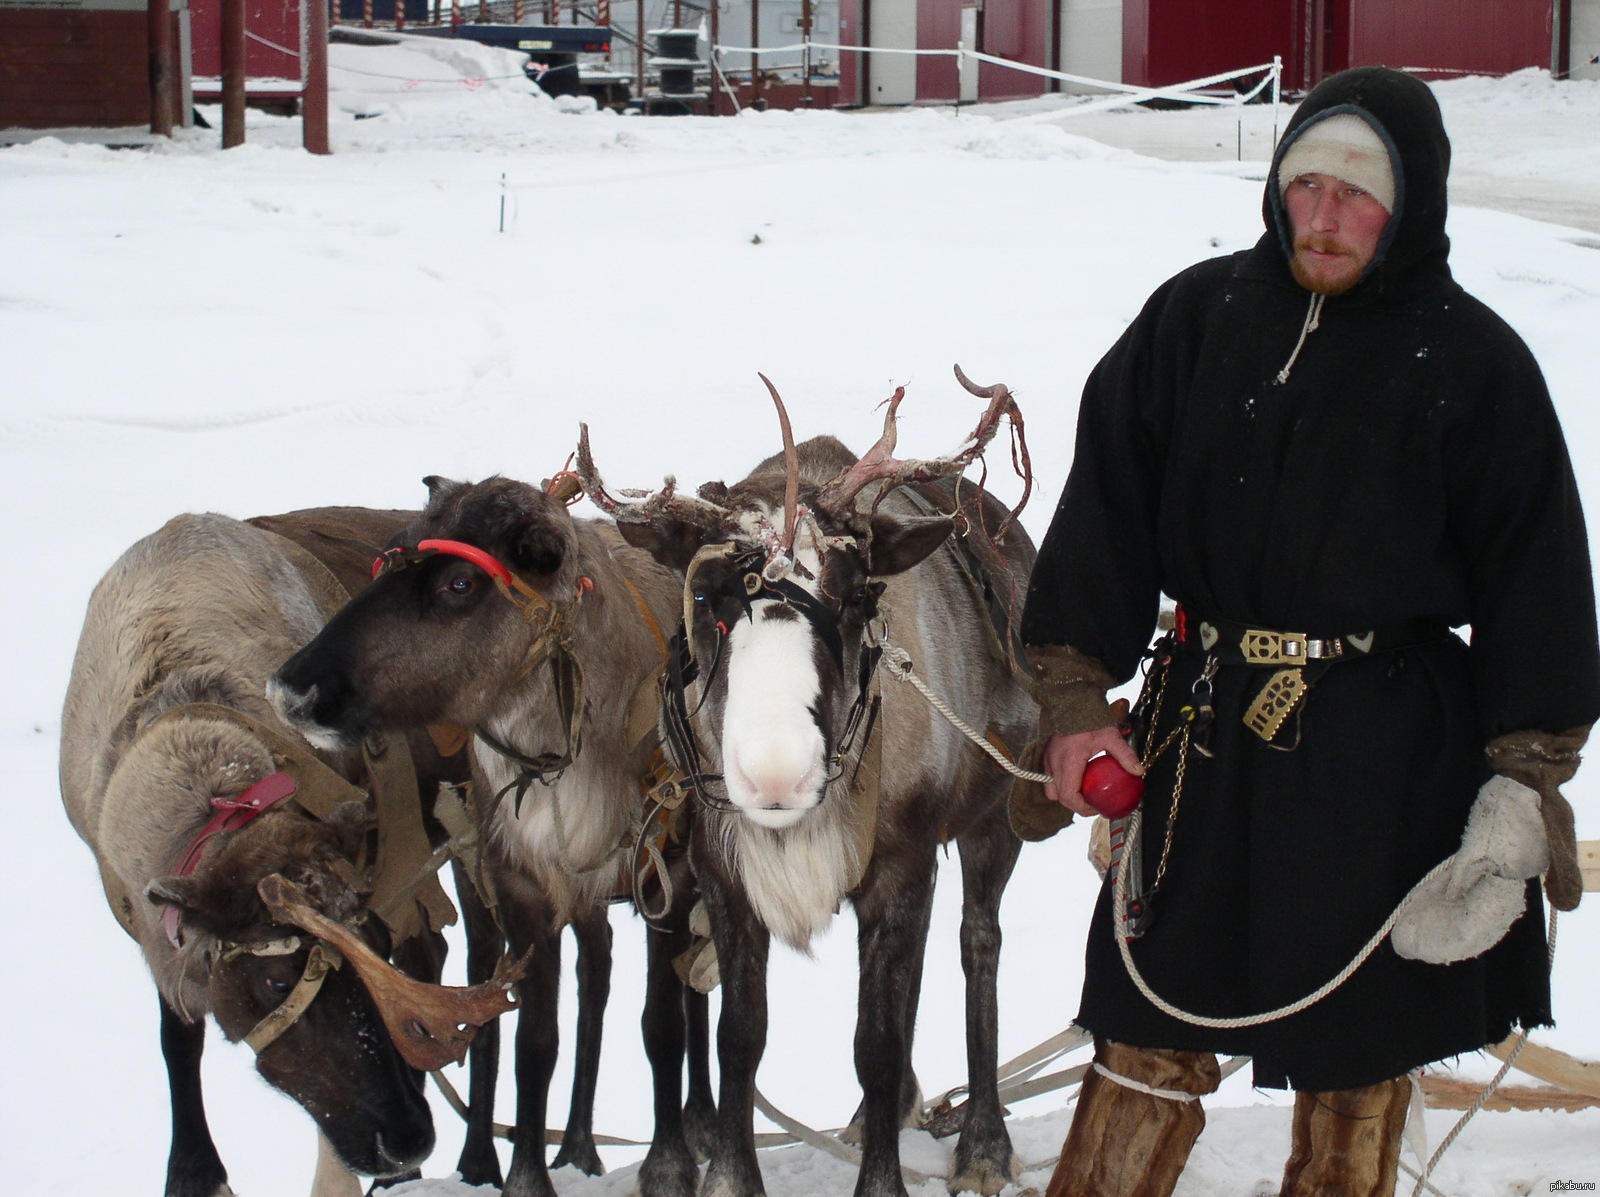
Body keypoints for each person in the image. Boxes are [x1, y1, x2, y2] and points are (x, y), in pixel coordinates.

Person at [1015, 65, 1600, 1196]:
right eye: (1306, 185)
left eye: (1359, 191)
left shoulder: (1474, 365)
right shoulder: (1195, 321)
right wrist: (1077, 701)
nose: (1325, 216)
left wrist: (1524, 778)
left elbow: (1539, 582)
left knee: (1357, 1054)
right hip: (1205, 736)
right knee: (1146, 1029)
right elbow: (1105, 517)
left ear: (1413, 202)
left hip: (1384, 765)